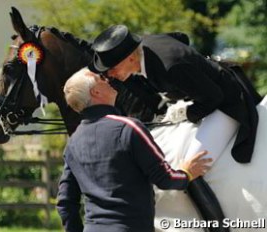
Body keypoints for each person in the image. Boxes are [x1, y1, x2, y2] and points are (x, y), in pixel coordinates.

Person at [89, 25, 262, 232]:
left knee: (191, 165)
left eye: (112, 69)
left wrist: (186, 111)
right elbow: (181, 37)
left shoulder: (170, 66)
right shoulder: (146, 46)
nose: (110, 75)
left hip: (228, 104)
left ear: (129, 59)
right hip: (206, 96)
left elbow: (215, 97)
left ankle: (217, 227)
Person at [57, 68, 212, 232]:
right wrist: (187, 173)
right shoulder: (129, 128)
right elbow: (165, 178)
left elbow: (65, 202)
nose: (108, 80)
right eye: (101, 79)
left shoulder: (73, 143)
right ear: (95, 92)